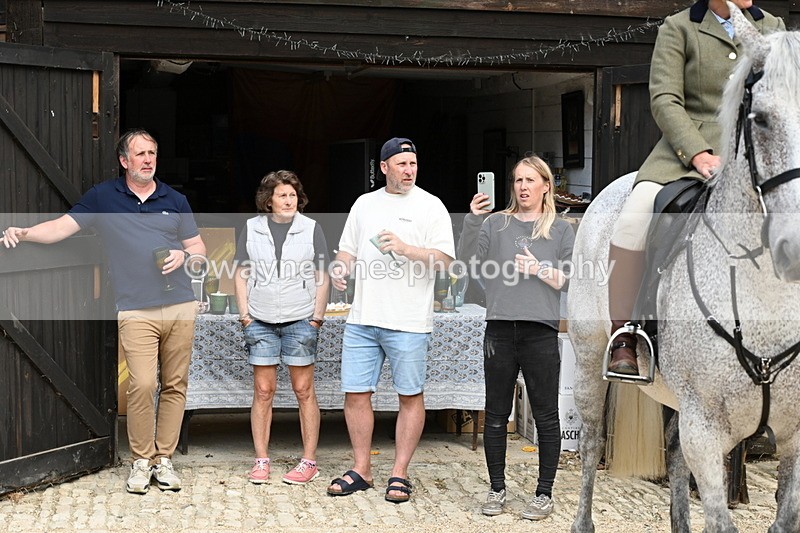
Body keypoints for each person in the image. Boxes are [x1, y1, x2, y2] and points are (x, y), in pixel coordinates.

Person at [1, 128, 206, 494]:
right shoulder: (103, 197)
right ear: (124, 161)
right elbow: (60, 228)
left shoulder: (174, 199)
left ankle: (164, 460)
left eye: (152, 153)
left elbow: (200, 249)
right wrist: (24, 232)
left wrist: (186, 255)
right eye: (140, 154)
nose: (148, 160)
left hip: (180, 304)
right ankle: (142, 462)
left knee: (175, 385)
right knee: (143, 385)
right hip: (135, 308)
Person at [606, 0, 784, 377]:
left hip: (757, 150)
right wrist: (698, 153)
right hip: (686, 151)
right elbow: (665, 99)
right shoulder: (679, 27)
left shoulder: (773, 26)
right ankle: (623, 334)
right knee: (633, 221)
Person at [325, 137, 455, 503]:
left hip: (410, 319)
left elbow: (445, 261)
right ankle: (361, 469)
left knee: (410, 396)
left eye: (413, 164)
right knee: (355, 394)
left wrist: (405, 248)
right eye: (401, 164)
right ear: (383, 167)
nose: (409, 170)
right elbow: (347, 248)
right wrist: (340, 268)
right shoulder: (364, 204)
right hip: (363, 317)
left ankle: (399, 473)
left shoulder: (431, 206)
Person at [458, 156, 574, 520]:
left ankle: (544, 493)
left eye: (530, 180)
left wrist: (538, 268)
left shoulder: (562, 229)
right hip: (500, 330)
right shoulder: (497, 222)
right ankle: (496, 489)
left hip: (539, 330)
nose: (522, 186)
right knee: (495, 414)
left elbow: (567, 279)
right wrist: (473, 221)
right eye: (517, 180)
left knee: (545, 415)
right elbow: (466, 262)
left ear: (545, 186)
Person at [233, 170, 330, 485]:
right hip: (260, 319)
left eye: (292, 195)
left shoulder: (311, 228)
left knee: (304, 390)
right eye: (282, 195)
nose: (288, 200)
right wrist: (245, 315)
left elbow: (322, 275)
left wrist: (316, 317)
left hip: (300, 318)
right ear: (268, 200)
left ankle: (309, 461)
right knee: (263, 391)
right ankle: (261, 460)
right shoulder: (251, 228)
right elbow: (241, 272)